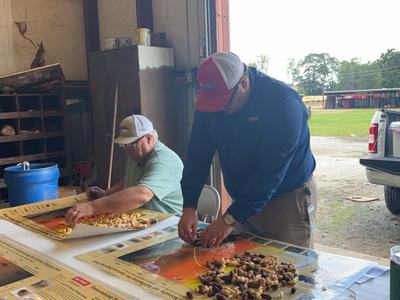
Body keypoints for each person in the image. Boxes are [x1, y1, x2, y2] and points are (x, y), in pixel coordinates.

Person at [178, 52, 317, 248]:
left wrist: (229, 219)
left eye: (224, 102)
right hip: (243, 199)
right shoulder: (211, 103)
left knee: (290, 268)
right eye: (213, 104)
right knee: (244, 264)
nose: (218, 109)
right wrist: (189, 206)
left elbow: (269, 173)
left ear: (243, 83)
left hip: (286, 199)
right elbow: (197, 155)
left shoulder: (283, 104)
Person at [65, 114, 184, 225]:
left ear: (148, 138)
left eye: (130, 144)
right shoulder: (137, 155)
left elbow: (141, 194)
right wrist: (107, 193)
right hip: (144, 220)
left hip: (168, 225)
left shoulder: (163, 161)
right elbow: (130, 180)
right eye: (123, 145)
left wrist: (92, 207)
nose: (127, 149)